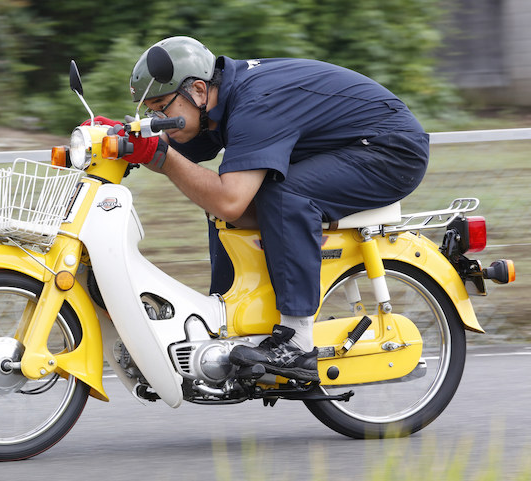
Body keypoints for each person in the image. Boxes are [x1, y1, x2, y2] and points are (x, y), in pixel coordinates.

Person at [116, 36, 429, 382]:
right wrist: (120, 140)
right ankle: (228, 326)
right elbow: (178, 158)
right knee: (223, 201)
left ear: (200, 92)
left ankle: (297, 342)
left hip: (390, 149)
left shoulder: (255, 104)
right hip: (348, 145)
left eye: (161, 107)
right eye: (150, 112)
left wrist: (161, 156)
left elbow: (228, 198)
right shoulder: (222, 104)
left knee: (283, 195)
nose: (157, 118)